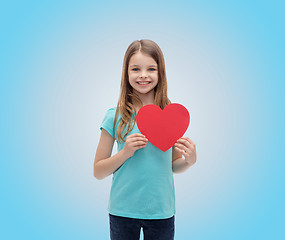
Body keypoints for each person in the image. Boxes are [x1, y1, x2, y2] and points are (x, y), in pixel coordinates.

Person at [93, 39, 197, 240]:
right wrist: (125, 153)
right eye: (135, 69)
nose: (143, 75)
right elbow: (98, 171)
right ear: (126, 73)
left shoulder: (172, 116)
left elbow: (172, 166)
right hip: (122, 211)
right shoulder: (114, 116)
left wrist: (189, 161)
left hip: (161, 211)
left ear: (160, 73)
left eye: (151, 69)